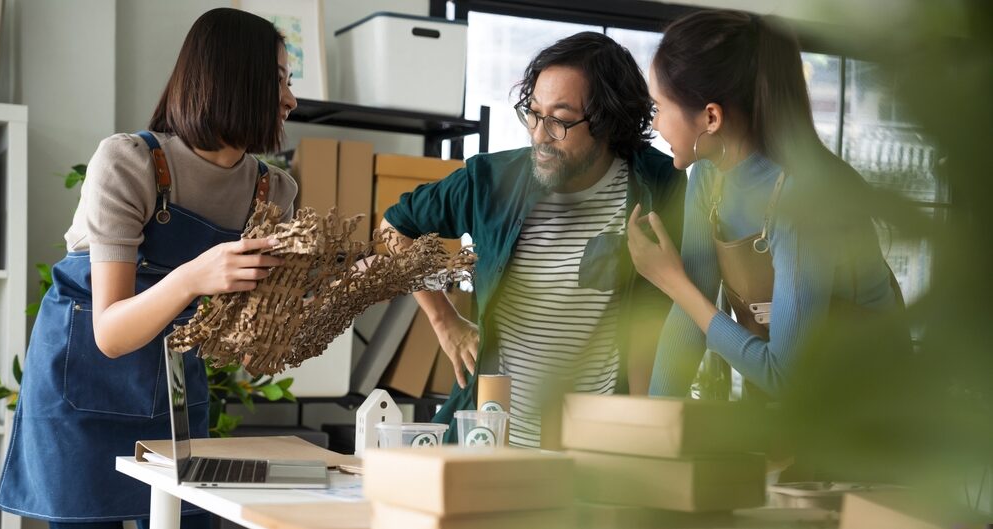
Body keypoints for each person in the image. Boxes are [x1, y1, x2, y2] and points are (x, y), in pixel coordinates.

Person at [0, 8, 298, 527]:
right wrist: (194, 276)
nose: (291, 100)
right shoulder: (130, 163)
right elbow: (110, 332)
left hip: (174, 392)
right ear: (231, 78)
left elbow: (250, 353)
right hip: (82, 390)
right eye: (277, 81)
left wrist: (289, 318)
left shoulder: (274, 191)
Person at [381, 32, 686, 448]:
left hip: (596, 444)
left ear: (609, 122)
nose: (540, 135)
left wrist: (644, 436)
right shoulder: (490, 180)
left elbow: (653, 316)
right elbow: (395, 229)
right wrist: (444, 321)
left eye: (560, 119)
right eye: (533, 113)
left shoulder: (659, 184)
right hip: (491, 439)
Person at [627, 10, 905, 400]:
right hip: (793, 403)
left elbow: (783, 374)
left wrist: (673, 281)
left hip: (870, 412)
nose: (655, 124)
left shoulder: (806, 196)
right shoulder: (709, 178)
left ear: (710, 117)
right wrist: (653, 429)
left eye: (660, 107)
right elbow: (689, 322)